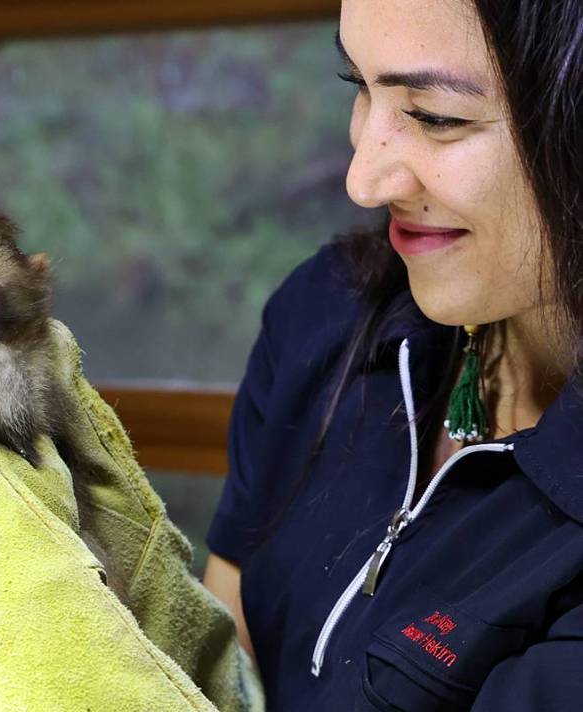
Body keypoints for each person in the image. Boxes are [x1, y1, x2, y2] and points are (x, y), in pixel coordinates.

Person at [203, 0, 583, 709]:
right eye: (359, 87)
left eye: (437, 116)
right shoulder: (325, 312)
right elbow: (217, 658)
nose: (364, 181)